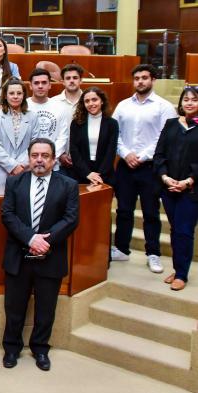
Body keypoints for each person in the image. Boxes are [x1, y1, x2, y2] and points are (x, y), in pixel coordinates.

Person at [0, 137, 79, 372]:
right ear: (29, 157)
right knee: (14, 307)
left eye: (45, 156)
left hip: (51, 256)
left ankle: (40, 349)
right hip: (19, 255)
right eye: (35, 156)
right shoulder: (14, 182)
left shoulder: (68, 185)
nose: (39, 160)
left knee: (46, 309)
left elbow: (71, 218)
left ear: (54, 160)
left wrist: (45, 240)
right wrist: (31, 238)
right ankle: (12, 348)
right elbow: (8, 215)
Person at [111, 64, 177, 272]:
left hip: (150, 167)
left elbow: (165, 136)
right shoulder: (123, 105)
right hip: (125, 165)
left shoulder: (163, 106)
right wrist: (126, 154)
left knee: (150, 212)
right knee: (123, 210)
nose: (140, 81)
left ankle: (153, 253)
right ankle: (122, 249)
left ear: (153, 80)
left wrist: (143, 156)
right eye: (137, 78)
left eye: (144, 78)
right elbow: (114, 133)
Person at [153, 86, 198, 291]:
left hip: (191, 190)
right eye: (186, 99)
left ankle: (182, 275)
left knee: (184, 231)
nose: (189, 103)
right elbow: (159, 154)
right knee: (174, 229)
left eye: (194, 100)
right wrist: (165, 177)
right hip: (169, 187)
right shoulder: (171, 124)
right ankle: (178, 267)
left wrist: (188, 181)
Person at [0, 78, 38, 187]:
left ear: (24, 95)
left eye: (19, 93)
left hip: (25, 169)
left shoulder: (33, 116)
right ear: (5, 95)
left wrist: (21, 165)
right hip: (0, 170)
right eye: (11, 93)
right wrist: (12, 165)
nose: (15, 96)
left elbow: (35, 144)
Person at [69, 87, 119, 186]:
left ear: (102, 101)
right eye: (87, 101)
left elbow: (111, 152)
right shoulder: (76, 123)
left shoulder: (112, 123)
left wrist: (99, 176)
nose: (91, 104)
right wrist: (87, 173)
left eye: (94, 99)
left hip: (104, 175)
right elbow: (74, 150)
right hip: (81, 174)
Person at [26, 68, 70, 172]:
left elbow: (63, 137)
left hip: (53, 165)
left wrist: (50, 158)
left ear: (50, 85)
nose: (40, 86)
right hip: (28, 164)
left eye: (44, 82)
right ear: (30, 86)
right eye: (36, 83)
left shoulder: (60, 107)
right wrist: (31, 159)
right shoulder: (24, 106)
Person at [50, 64, 85, 172]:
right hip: (59, 161)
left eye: (75, 78)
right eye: (68, 78)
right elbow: (50, 131)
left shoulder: (89, 102)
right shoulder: (53, 103)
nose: (71, 81)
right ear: (62, 81)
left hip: (85, 161)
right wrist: (60, 154)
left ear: (81, 80)